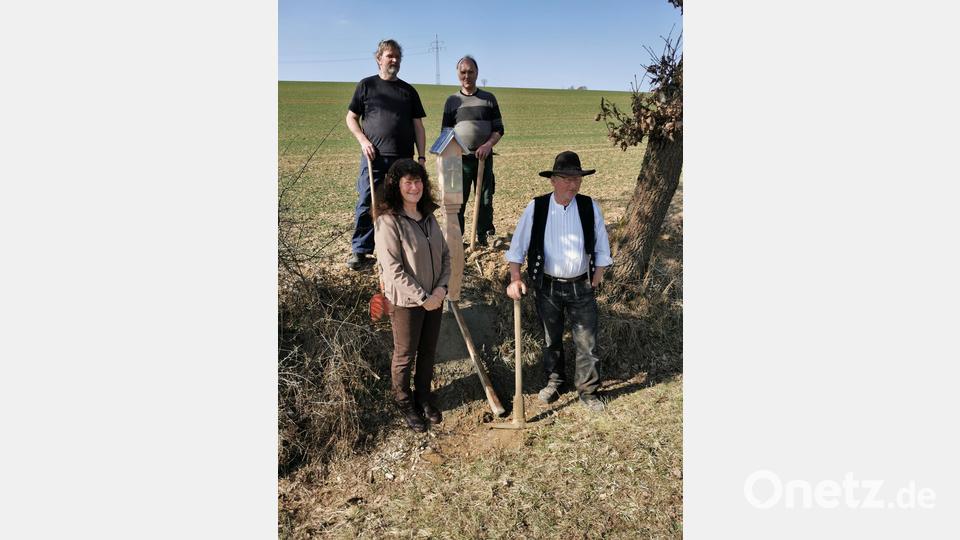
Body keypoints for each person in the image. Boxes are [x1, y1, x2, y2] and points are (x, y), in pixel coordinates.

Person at [504, 151, 613, 412]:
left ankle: (588, 391)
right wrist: (515, 278)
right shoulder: (537, 207)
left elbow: (601, 243)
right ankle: (555, 381)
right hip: (548, 287)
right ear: (553, 180)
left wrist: (598, 274)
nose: (573, 184)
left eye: (577, 179)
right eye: (566, 178)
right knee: (551, 339)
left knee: (587, 342)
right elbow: (518, 247)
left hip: (582, 286)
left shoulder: (589, 206)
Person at [374, 159, 451, 432]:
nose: (414, 187)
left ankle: (423, 396)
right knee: (405, 355)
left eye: (418, 181)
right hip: (407, 302)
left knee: (428, 352)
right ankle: (403, 401)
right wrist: (423, 297)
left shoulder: (429, 217)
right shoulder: (388, 222)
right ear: (396, 186)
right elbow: (393, 270)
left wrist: (441, 289)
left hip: (435, 297)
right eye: (408, 182)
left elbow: (445, 256)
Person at [346, 39, 427, 270]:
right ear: (378, 58)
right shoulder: (366, 86)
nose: (394, 60)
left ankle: (400, 248)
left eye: (397, 57)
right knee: (366, 202)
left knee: (402, 204)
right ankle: (361, 252)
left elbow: (418, 127)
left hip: (403, 160)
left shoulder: (408, 91)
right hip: (375, 158)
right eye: (389, 56)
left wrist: (421, 158)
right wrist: (363, 140)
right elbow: (351, 118)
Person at [441, 55, 504, 246]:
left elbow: (499, 129)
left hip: (483, 157)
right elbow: (445, 132)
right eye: (463, 72)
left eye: (470, 71)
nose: (466, 75)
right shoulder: (452, 101)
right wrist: (452, 152)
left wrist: (487, 145)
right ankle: (455, 239)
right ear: (458, 74)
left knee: (485, 199)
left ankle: (485, 236)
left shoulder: (488, 99)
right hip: (456, 159)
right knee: (455, 202)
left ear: (477, 73)